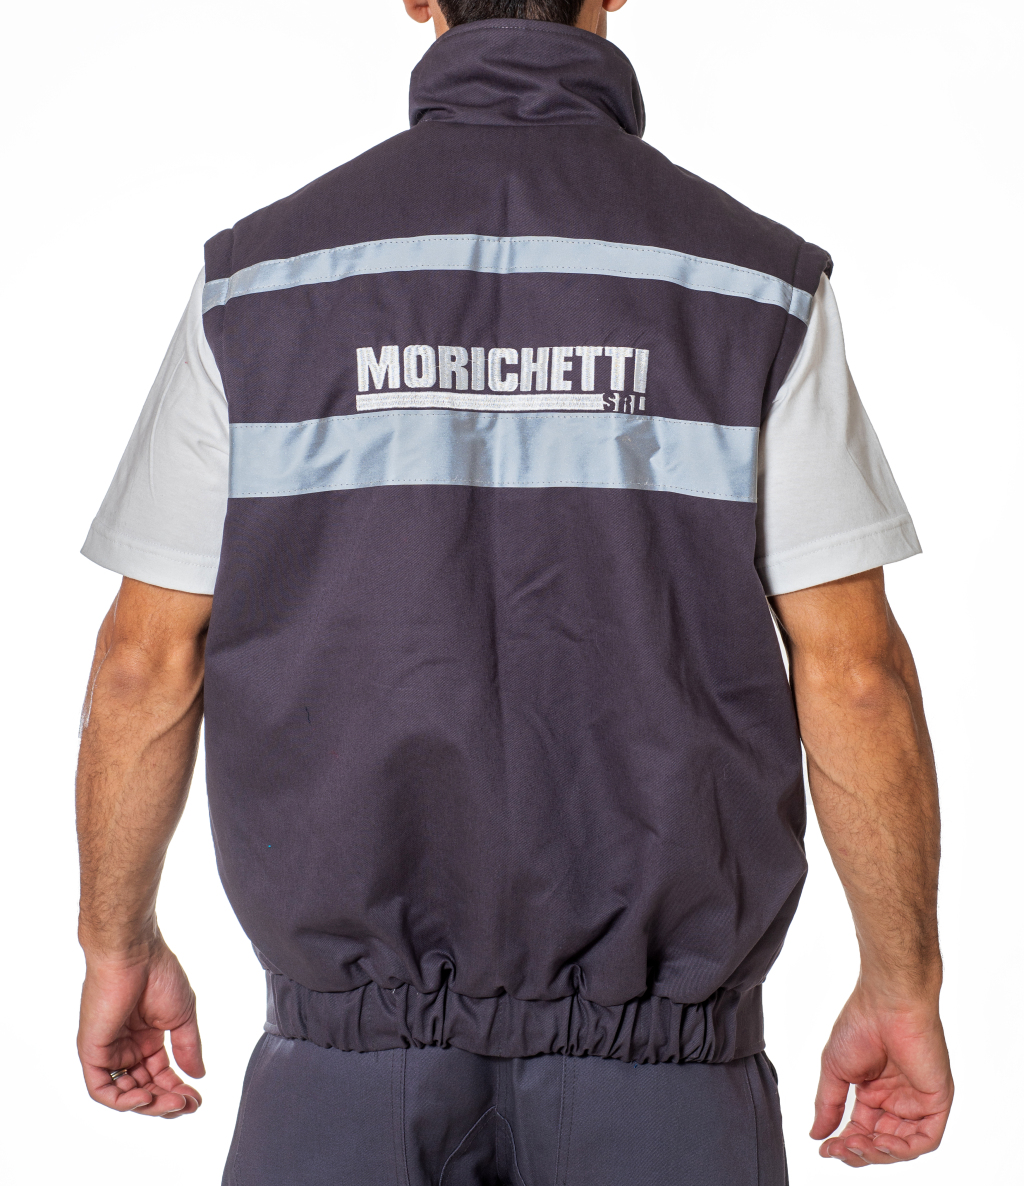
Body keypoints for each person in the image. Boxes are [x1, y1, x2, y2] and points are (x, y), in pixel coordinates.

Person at [75, 0, 953, 1181]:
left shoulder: (260, 285)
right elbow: (854, 675)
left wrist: (114, 941)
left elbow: (144, 659)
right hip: (664, 1081)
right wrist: (902, 980)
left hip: (342, 1071)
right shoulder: (750, 284)